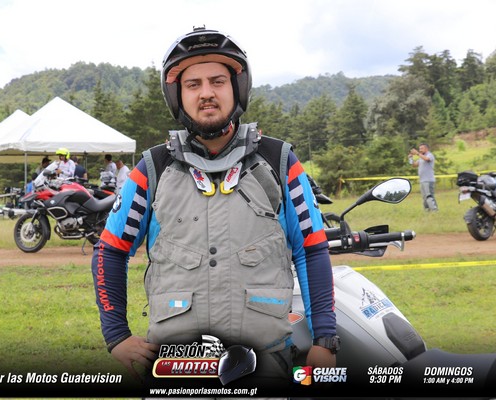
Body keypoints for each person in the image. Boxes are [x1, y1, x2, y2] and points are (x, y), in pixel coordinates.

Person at [91, 27, 338, 392]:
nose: (206, 92)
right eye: (193, 84)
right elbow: (110, 251)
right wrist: (116, 336)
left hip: (265, 359)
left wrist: (324, 339)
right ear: (178, 96)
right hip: (175, 366)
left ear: (237, 88)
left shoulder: (280, 161)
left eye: (217, 81)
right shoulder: (152, 169)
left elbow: (311, 250)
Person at [408, 143, 438, 212]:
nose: (420, 150)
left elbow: (427, 159)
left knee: (429, 195)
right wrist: (410, 158)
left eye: (421, 148)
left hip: (428, 180)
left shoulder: (430, 155)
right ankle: (427, 210)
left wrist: (417, 153)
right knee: (424, 197)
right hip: (422, 180)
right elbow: (414, 165)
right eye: (419, 149)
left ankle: (434, 209)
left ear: (426, 148)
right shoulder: (421, 158)